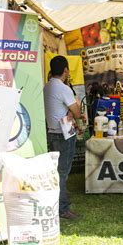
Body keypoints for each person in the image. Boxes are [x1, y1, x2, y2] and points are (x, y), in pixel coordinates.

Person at [44, 55, 83, 220]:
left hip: (51, 132)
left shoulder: (46, 87)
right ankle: (62, 208)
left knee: (55, 172)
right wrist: (73, 110)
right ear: (66, 70)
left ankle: (56, 205)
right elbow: (77, 112)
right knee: (62, 173)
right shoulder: (64, 89)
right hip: (64, 135)